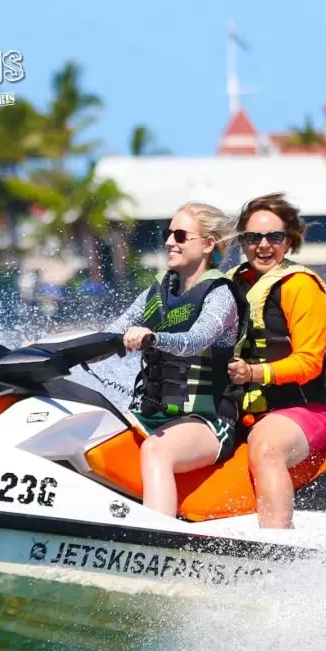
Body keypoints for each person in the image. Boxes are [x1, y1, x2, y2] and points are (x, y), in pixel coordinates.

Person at [104, 202, 248, 518]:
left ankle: (154, 539)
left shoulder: (220, 294)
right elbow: (108, 335)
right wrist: (49, 349)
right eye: (168, 234)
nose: (170, 242)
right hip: (152, 414)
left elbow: (195, 340)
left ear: (209, 244)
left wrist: (152, 338)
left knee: (157, 449)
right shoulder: (155, 293)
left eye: (181, 235)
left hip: (207, 422)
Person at [226, 192, 326, 529]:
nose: (263, 245)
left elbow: (309, 362)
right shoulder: (230, 284)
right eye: (253, 237)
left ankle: (278, 550)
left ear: (289, 242)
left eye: (274, 237)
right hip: (242, 411)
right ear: (242, 241)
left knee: (266, 446)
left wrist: (255, 373)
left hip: (304, 412)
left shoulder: (300, 286)